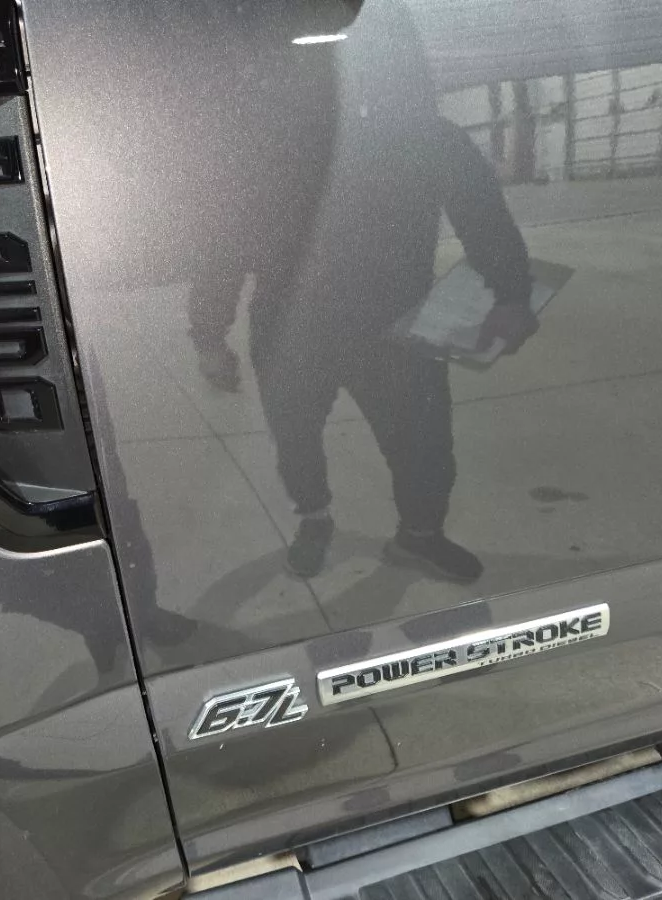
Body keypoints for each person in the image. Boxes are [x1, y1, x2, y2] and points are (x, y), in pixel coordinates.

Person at [248, 1, 536, 583]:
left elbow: (485, 221)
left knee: (424, 444)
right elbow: (228, 239)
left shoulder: (429, 138)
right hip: (292, 327)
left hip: (397, 326)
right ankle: (314, 518)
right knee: (296, 436)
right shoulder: (279, 141)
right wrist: (206, 328)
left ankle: (419, 537)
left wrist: (513, 295)